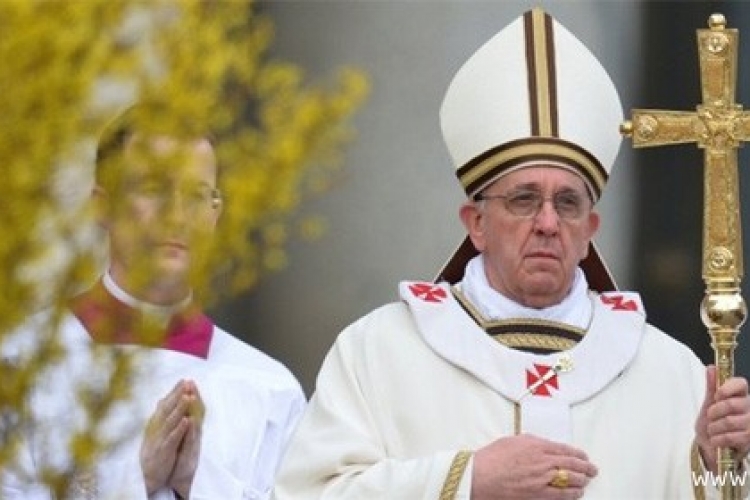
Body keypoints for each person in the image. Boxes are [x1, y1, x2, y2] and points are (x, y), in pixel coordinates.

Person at [271, 8, 750, 500]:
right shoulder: (379, 351)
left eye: (568, 203)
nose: (547, 223)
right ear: (476, 224)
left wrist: (718, 466)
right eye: (524, 199)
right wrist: (467, 480)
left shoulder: (669, 372)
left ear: (590, 230)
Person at [1, 104, 306, 499]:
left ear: (215, 215)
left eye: (196, 196)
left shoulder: (271, 390)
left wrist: (197, 482)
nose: (177, 216)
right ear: (102, 206)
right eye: (152, 190)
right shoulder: (23, 364)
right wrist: (135, 478)